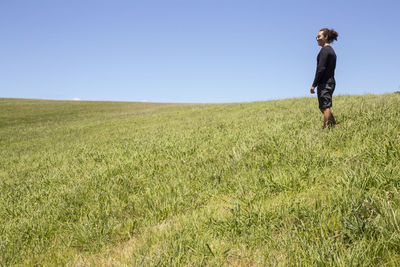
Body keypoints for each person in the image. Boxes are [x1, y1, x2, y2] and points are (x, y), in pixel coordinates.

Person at [310, 28, 338, 129]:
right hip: (329, 82)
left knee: (325, 107)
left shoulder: (325, 50)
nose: (317, 38)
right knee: (323, 107)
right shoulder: (330, 50)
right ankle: (335, 126)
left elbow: (320, 69)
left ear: (326, 37)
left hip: (325, 83)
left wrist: (314, 84)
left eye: (319, 36)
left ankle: (325, 130)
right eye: (316, 37)